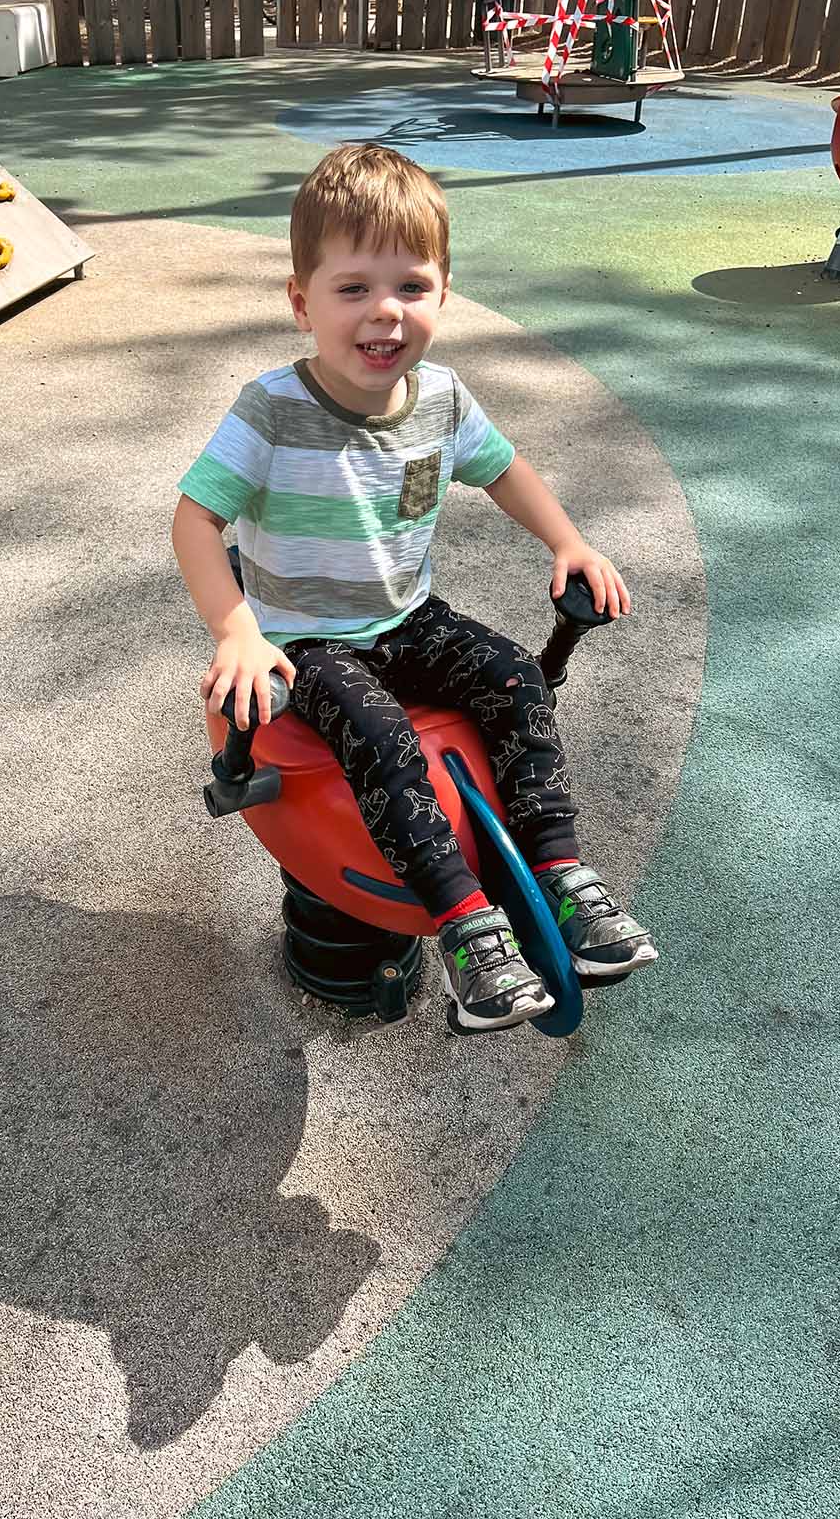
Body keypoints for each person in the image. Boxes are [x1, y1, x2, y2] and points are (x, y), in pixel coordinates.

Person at [172, 145, 658, 1036]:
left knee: (514, 672)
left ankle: (559, 874)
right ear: (301, 301)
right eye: (353, 289)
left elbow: (504, 469)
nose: (384, 314)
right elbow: (195, 522)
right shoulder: (271, 409)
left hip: (407, 615)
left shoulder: (440, 397)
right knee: (382, 738)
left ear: (443, 293)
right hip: (306, 636)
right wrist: (236, 630)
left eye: (411, 287)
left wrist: (568, 540)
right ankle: (465, 925)